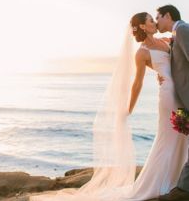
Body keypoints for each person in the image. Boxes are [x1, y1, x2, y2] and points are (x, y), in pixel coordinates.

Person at [29, 10, 188, 201]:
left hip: (179, 92)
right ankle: (159, 183)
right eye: (151, 20)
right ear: (143, 26)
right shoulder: (142, 53)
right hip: (166, 94)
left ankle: (178, 179)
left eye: (155, 19)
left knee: (180, 137)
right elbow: (136, 83)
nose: (155, 22)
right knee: (167, 137)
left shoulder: (165, 41)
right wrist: (129, 108)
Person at [154, 5, 189, 201]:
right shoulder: (177, 34)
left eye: (158, 17)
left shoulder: (182, 29)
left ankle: (183, 190)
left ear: (168, 16)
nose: (157, 22)